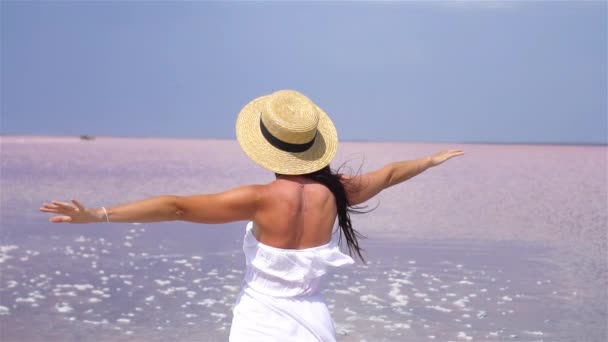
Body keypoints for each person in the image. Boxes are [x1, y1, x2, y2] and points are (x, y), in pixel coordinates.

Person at [40, 90, 464, 341]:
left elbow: (176, 207)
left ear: (268, 146)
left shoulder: (260, 197)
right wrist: (429, 160)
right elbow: (388, 174)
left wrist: (98, 214)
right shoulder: (337, 193)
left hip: (261, 321)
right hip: (314, 322)